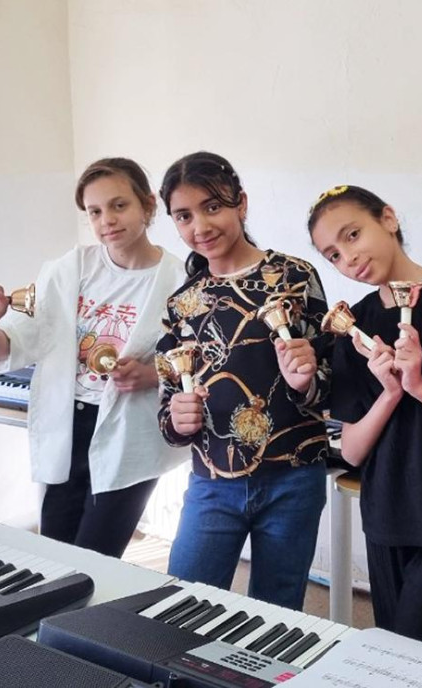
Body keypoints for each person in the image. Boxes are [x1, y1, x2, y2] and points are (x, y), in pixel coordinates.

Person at [0, 158, 187, 557]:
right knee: (54, 552)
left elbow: (202, 359)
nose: (107, 221)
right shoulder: (71, 268)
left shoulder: (178, 279)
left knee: (97, 557)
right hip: (68, 424)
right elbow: (14, 345)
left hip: (127, 431)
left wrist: (152, 374)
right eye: (94, 212)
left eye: (119, 205)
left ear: (148, 205)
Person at [308, 184, 422, 652]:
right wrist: (390, 393)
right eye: (333, 255)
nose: (348, 258)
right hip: (385, 517)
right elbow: (352, 450)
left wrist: (418, 385)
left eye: (353, 235)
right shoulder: (355, 326)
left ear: (388, 219)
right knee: (396, 660)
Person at [157, 151, 330, 610]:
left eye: (213, 207)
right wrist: (178, 419)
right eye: (184, 216)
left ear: (242, 203)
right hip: (213, 480)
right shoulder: (182, 303)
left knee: (278, 611)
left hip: (294, 475)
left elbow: (332, 377)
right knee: (183, 606)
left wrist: (307, 381)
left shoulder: (294, 277)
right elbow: (169, 406)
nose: (200, 225)